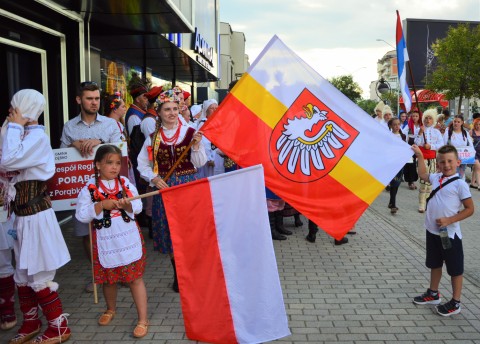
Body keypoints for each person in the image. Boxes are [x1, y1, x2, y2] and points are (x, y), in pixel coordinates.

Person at [2, 89, 71, 343]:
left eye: (15, 106)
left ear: (25, 109)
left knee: (39, 274)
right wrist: (14, 128)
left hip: (36, 216)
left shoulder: (36, 139)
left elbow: (8, 160)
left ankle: (59, 327)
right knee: (22, 273)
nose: (10, 111)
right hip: (21, 216)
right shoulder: (23, 135)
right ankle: (31, 322)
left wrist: (14, 126)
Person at [75, 145, 148, 338]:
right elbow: (81, 215)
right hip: (105, 241)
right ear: (98, 164)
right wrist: (100, 205)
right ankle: (110, 309)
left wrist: (129, 204)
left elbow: (139, 205)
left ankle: (143, 319)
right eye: (109, 163)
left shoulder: (125, 183)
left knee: (134, 279)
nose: (114, 167)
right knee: (108, 280)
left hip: (127, 237)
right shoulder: (89, 187)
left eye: (117, 163)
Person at [137, 89, 206, 292]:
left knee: (190, 232)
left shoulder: (190, 133)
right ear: (158, 112)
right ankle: (178, 274)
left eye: (175, 109)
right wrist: (154, 178)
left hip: (188, 187)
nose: (172, 113)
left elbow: (200, 163)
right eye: (167, 109)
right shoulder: (153, 138)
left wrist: (195, 147)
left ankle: (192, 273)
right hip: (166, 190)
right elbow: (142, 165)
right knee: (171, 233)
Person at [60, 82, 122, 293]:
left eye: (96, 98)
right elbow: (62, 160)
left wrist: (99, 141)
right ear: (79, 100)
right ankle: (98, 274)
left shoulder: (109, 125)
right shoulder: (69, 127)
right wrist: (73, 144)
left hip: (107, 187)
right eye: (89, 98)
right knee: (87, 235)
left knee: (113, 230)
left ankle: (118, 271)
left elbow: (120, 150)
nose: (94, 102)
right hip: (81, 190)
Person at [411, 144, 474, 316]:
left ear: (458, 162)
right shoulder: (437, 177)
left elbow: (470, 209)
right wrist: (420, 156)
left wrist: (449, 220)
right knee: (434, 263)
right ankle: (433, 293)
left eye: (450, 161)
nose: (446, 165)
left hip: (449, 235)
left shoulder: (460, 184)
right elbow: (422, 174)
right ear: (437, 164)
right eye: (442, 162)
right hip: (432, 232)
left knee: (455, 268)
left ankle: (456, 302)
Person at [414, 109, 444, 213]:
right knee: (423, 180)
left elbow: (441, 144)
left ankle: (428, 202)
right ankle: (421, 203)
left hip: (432, 159)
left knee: (431, 181)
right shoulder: (419, 129)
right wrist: (420, 133)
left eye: (430, 118)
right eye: (426, 118)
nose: (428, 120)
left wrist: (430, 146)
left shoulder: (436, 132)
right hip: (423, 159)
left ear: (433, 120)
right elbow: (416, 143)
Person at [443, 115, 473, 180]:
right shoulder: (448, 131)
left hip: (462, 160)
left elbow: (471, 146)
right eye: (455, 121)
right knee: (451, 177)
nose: (456, 123)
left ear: (462, 122)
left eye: (458, 122)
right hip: (451, 159)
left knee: (461, 178)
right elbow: (444, 145)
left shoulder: (465, 133)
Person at [195, 99, 219, 179]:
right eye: (212, 108)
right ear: (206, 110)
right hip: (208, 160)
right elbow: (204, 143)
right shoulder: (203, 124)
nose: (215, 110)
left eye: (216, 108)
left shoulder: (218, 122)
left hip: (219, 158)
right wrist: (210, 158)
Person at [388, 118, 407, 214]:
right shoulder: (388, 136)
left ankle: (392, 202)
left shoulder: (403, 136)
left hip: (400, 162)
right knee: (393, 183)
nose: (397, 126)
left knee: (397, 183)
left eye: (398, 124)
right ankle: (393, 204)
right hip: (391, 163)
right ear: (391, 126)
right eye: (394, 124)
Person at [404, 109, 421, 190]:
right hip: (411, 146)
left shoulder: (422, 125)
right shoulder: (409, 125)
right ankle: (411, 181)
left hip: (420, 146)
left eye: (416, 116)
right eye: (413, 116)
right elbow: (404, 134)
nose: (415, 117)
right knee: (411, 164)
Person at [469, 118, 480, 189]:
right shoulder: (471, 132)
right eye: (476, 124)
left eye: (479, 124)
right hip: (473, 152)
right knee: (478, 166)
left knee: (475, 168)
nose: (478, 126)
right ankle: (479, 184)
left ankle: (472, 183)